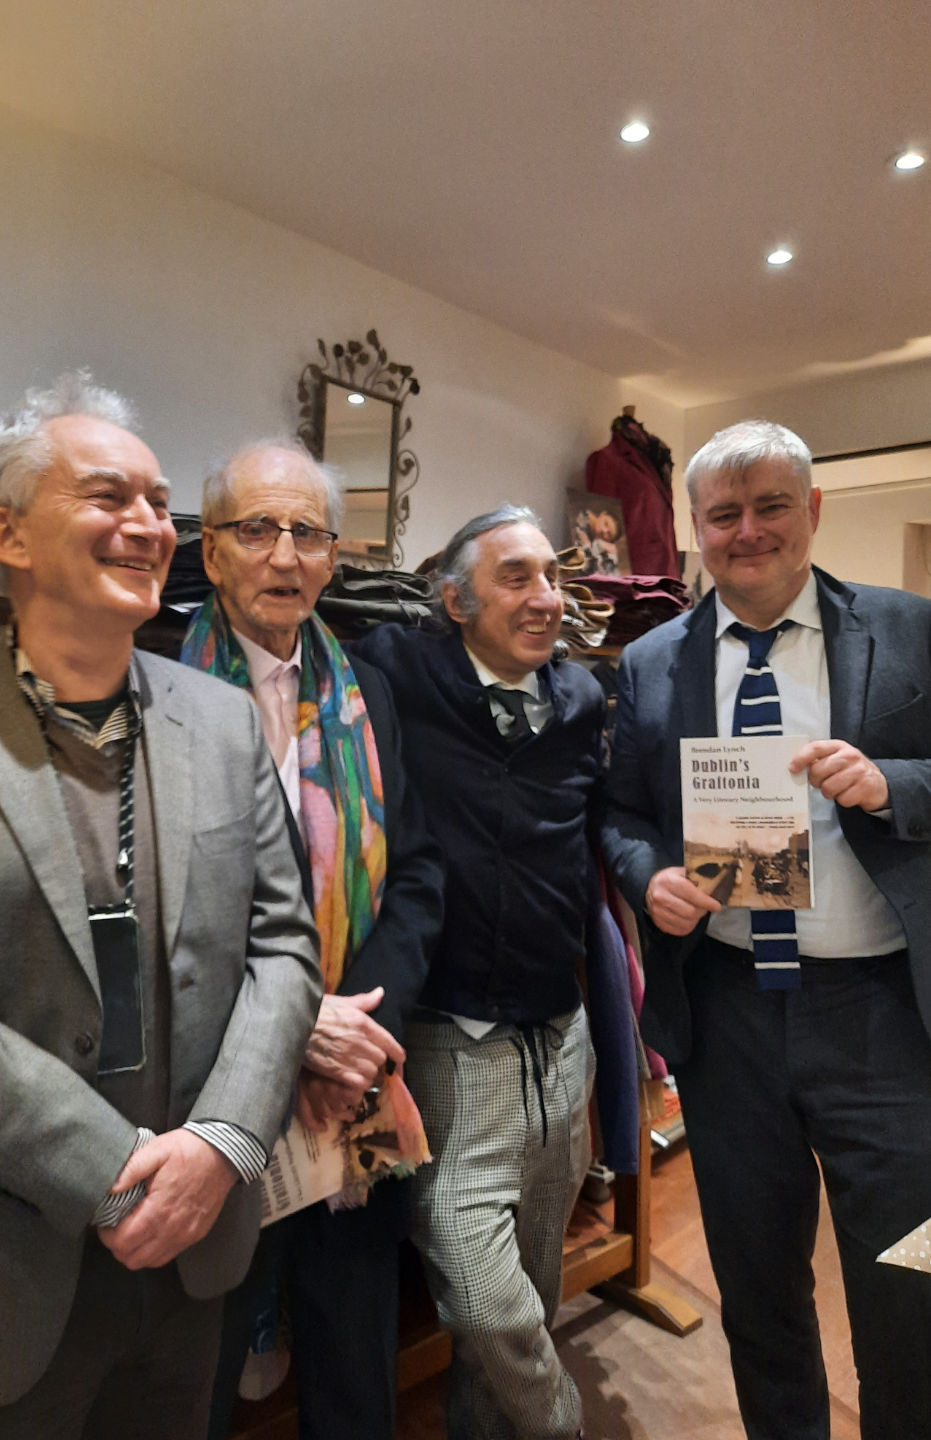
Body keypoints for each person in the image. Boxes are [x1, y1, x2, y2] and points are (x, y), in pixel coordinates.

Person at [0, 375, 322, 1439]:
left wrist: (222, 1143)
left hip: (194, 1252)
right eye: (110, 496)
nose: (151, 525)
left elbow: (284, 949)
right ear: (7, 534)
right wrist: (110, 1177)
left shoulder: (224, 724)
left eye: (160, 502)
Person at [601, 419, 931, 1440]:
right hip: (729, 1012)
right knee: (756, 1288)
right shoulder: (650, 661)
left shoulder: (908, 627)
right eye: (723, 514)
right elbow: (618, 812)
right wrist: (648, 875)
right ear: (695, 526)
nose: (747, 531)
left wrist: (892, 784)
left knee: (909, 1290)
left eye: (770, 506)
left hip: (881, 1014)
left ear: (812, 510)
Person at [181, 441, 443, 1440]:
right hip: (213, 1083)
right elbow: (157, 910)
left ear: (334, 557)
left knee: (352, 1361)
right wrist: (296, 1024)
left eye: (307, 533)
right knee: (198, 1371)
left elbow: (417, 871)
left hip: (352, 1082)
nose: (285, 555)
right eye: (257, 529)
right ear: (212, 551)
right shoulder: (155, 686)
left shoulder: (369, 688)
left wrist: (361, 1028)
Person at [355, 505, 601, 1440]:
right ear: (455, 601)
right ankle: (563, 1426)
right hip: (452, 1048)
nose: (545, 598)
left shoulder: (579, 700)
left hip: (561, 1043)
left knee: (531, 1291)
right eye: (515, 577)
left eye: (552, 577)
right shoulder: (397, 671)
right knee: (486, 1301)